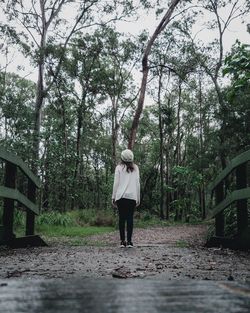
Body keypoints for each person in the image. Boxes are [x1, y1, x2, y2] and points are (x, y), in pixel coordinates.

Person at [112, 149, 140, 248]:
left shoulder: (119, 167)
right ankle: (130, 242)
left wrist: (113, 197)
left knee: (122, 219)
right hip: (132, 197)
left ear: (122, 158)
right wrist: (138, 198)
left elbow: (116, 183)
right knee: (130, 218)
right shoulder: (136, 168)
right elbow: (137, 184)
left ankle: (122, 241)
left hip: (121, 197)